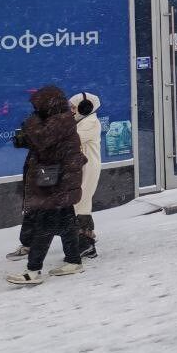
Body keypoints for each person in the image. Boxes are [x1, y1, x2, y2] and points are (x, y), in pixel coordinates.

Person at [6, 85, 86, 286]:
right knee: (67, 222)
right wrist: (26, 138)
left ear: (48, 105)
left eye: (37, 106)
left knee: (44, 226)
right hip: (59, 179)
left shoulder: (60, 121)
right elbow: (45, 144)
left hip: (58, 182)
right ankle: (74, 261)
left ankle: (33, 271)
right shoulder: (58, 120)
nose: (35, 110)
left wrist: (31, 122)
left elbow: (42, 139)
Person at [68, 92, 102, 259]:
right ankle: (86, 240)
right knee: (82, 203)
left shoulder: (90, 122)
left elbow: (72, 140)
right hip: (81, 167)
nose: (71, 111)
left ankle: (86, 243)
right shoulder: (81, 121)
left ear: (84, 108)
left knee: (81, 203)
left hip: (88, 168)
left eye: (74, 107)